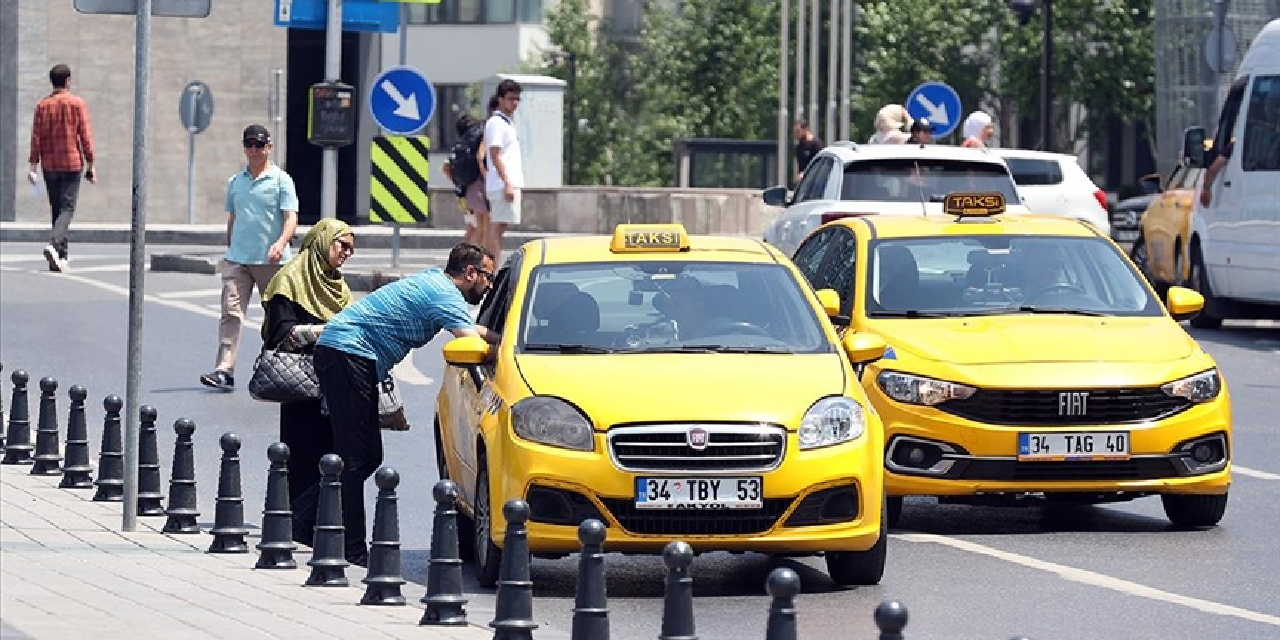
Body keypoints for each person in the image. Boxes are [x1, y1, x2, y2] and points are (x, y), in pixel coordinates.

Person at [306, 242, 501, 566]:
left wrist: (503, 337)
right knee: (355, 459)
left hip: (348, 356)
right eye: (487, 277)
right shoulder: (443, 294)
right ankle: (350, 548)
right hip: (347, 354)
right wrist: (509, 352)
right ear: (470, 272)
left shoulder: (438, 285)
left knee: (367, 456)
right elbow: (470, 341)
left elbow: (476, 330)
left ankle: (299, 519)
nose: (489, 285)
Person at [258, 218, 356, 545]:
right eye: (342, 245)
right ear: (322, 241)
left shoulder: (337, 285)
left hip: (335, 384)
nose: (346, 254)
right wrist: (324, 332)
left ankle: (322, 525)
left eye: (351, 250)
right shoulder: (289, 280)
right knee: (301, 455)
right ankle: (296, 526)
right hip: (300, 385)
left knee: (334, 455)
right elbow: (279, 335)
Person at [200, 124, 300, 391]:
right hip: (239, 261)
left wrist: (280, 243)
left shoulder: (281, 180)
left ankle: (280, 367)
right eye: (249, 145)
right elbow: (233, 218)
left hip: (272, 262)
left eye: (259, 145)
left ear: (268, 147)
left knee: (277, 317)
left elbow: (291, 218)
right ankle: (224, 370)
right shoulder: (236, 182)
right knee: (230, 313)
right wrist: (230, 249)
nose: (254, 150)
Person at [27, 63, 96, 273]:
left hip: (50, 164)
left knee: (57, 209)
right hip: (72, 163)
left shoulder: (42, 105)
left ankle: (60, 257)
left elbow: (36, 137)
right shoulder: (77, 104)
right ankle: (54, 244)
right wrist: (91, 163)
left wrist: (33, 165)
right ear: (67, 81)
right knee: (67, 208)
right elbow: (85, 135)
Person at [485, 79, 525, 264]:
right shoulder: (496, 122)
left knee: (501, 226)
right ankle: (491, 268)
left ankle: (493, 265)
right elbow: (494, 154)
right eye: (510, 98)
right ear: (500, 99)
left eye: (517, 99)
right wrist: (507, 182)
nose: (514, 103)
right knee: (497, 226)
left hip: (507, 182)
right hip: (502, 183)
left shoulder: (507, 122)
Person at [442, 113, 489, 247]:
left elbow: (446, 167)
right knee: (480, 227)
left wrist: (456, 181)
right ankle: (468, 255)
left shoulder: (459, 145)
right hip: (476, 189)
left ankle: (463, 253)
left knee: (471, 226)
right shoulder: (474, 142)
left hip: (462, 192)